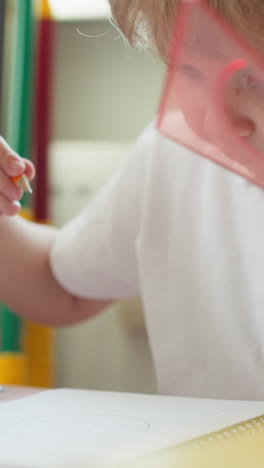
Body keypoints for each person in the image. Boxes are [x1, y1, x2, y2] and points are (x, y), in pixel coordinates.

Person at [0, 0, 264, 400]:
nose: (215, 122)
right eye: (189, 71)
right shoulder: (179, 151)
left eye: (254, 81)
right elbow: (61, 285)